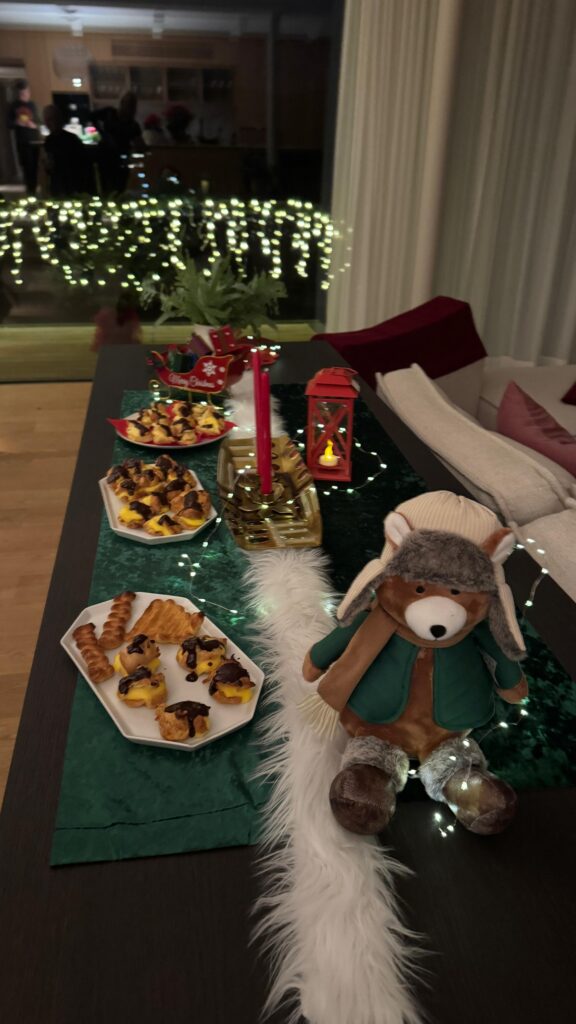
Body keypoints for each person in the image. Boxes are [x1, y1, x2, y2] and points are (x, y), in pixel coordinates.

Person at [43, 105, 93, 196]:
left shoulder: (71, 140)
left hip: (73, 183)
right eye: (47, 120)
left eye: (51, 119)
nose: (48, 123)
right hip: (58, 183)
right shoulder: (49, 140)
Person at [8, 79, 40, 195]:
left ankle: (34, 190)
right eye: (21, 93)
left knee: (35, 166)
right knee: (26, 167)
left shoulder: (33, 105)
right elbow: (9, 124)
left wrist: (33, 125)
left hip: (34, 140)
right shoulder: (13, 106)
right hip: (22, 141)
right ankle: (29, 191)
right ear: (18, 93)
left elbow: (39, 121)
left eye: (25, 92)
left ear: (29, 92)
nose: (24, 95)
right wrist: (17, 122)